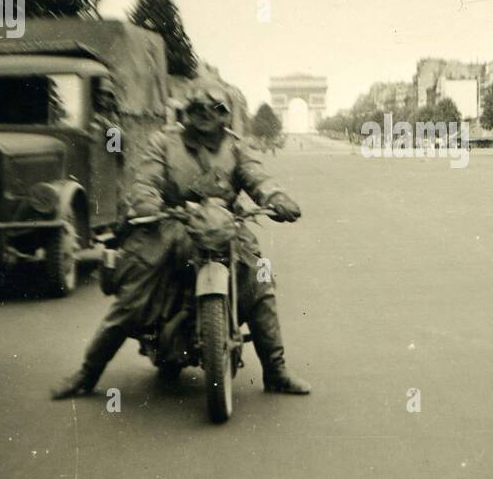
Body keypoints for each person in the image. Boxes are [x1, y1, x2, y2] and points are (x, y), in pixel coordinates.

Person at [51, 79, 311, 399]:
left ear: (226, 115)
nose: (205, 114)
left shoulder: (238, 147)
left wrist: (276, 196)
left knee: (259, 283)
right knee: (134, 295)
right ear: (185, 111)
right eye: (197, 108)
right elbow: (145, 180)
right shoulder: (163, 142)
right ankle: (87, 374)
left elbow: (258, 178)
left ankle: (276, 370)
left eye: (214, 108)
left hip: (225, 226)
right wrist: (148, 201)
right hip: (170, 225)